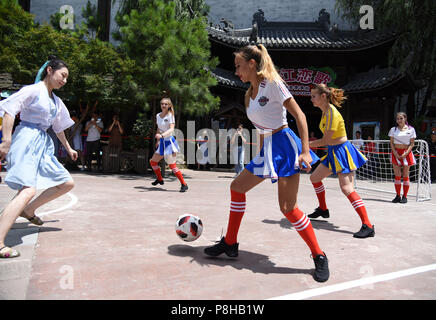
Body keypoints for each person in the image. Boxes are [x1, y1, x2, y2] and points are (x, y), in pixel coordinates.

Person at [203, 44, 329, 283]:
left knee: (288, 209)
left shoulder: (273, 83)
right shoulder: (248, 93)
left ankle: (319, 255)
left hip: (284, 144)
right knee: (237, 187)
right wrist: (261, 157)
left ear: (252, 64)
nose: (236, 71)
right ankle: (230, 243)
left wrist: (304, 151)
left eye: (239, 66)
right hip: (267, 149)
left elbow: (299, 116)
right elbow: (261, 128)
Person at [0, 55, 77, 258]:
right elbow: (9, 110)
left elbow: (59, 127)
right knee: (27, 190)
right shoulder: (33, 90)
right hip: (26, 139)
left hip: (42, 145)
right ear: (50, 70)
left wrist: (68, 148)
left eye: (67, 78)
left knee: (66, 183)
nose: (64, 80)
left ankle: (29, 210)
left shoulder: (56, 101)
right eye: (63, 75)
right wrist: (6, 141)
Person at [308, 83, 374, 238]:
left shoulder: (331, 113)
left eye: (313, 96)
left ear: (323, 96)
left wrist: (306, 145)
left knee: (347, 189)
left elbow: (326, 140)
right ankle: (323, 209)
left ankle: (368, 225)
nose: (311, 99)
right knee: (314, 178)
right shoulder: (325, 112)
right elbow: (328, 141)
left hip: (342, 151)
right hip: (333, 151)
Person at [149, 97, 188, 192]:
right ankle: (159, 179)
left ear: (169, 105)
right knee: (153, 162)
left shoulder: (170, 115)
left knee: (172, 166)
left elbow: (171, 129)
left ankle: (184, 184)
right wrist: (158, 140)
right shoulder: (158, 115)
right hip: (162, 142)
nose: (163, 105)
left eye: (166, 104)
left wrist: (161, 136)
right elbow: (158, 128)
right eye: (162, 104)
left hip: (169, 142)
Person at [388, 112, 416, 203]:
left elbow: (412, 144)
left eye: (401, 118)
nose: (399, 120)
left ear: (405, 119)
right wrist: (395, 153)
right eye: (397, 119)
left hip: (406, 153)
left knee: (405, 175)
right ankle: (397, 195)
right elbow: (391, 142)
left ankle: (405, 196)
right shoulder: (393, 129)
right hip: (395, 152)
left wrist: (406, 153)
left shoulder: (411, 129)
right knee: (397, 175)